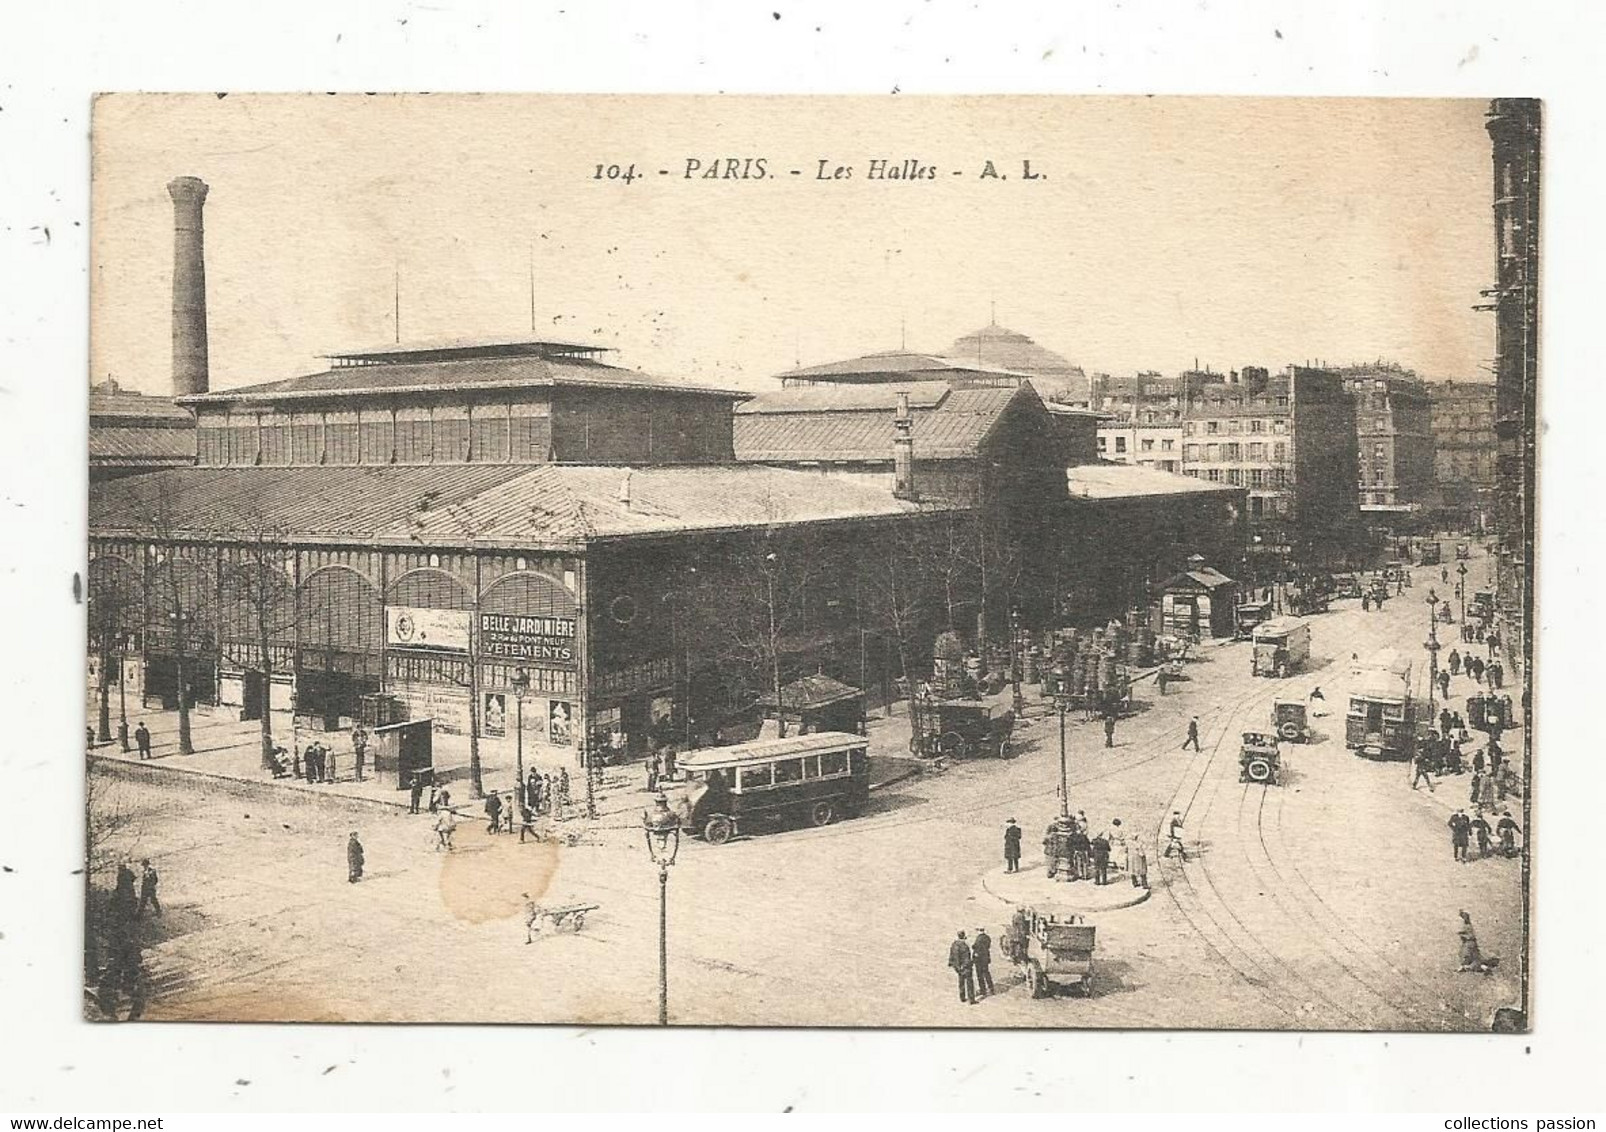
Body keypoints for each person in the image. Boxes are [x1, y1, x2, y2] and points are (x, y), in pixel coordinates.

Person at [947, 931, 976, 1005]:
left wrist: (952, 964)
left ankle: (962, 997)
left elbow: (952, 955)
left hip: (957, 967)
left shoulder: (954, 944)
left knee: (961, 982)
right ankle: (971, 999)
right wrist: (969, 964)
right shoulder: (964, 946)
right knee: (969, 982)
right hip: (965, 967)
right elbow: (966, 958)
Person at [972, 927, 995, 999]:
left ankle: (983, 990)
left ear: (979, 931)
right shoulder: (987, 937)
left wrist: (973, 947)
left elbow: (976, 948)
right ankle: (991, 988)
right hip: (986, 958)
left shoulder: (978, 939)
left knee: (980, 975)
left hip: (979, 959)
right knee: (987, 973)